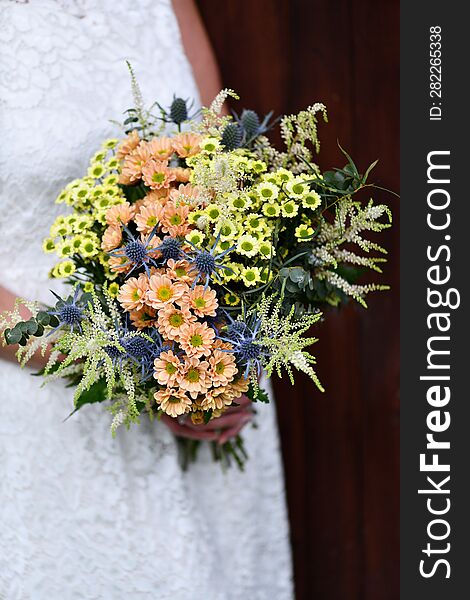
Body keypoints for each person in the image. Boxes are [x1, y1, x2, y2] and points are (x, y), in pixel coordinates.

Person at [0, 1, 293, 598]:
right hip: (45, 405)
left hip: (204, 386)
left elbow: (224, 168)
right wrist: (128, 366)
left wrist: (219, 354)